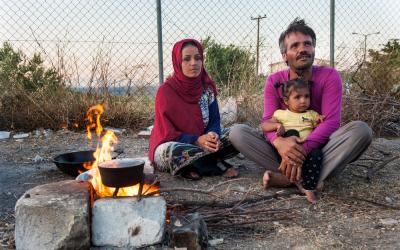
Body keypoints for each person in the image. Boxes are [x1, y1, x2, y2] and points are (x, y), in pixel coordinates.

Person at [229, 18, 372, 196]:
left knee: (361, 131)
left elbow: (331, 123)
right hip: (281, 151)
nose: (302, 49)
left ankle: (287, 178)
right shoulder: (274, 81)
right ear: (284, 55)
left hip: (319, 152)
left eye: (307, 44)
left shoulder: (330, 76)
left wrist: (300, 151)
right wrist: (279, 142)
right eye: (294, 46)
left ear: (313, 49)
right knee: (237, 132)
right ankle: (309, 179)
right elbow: (267, 122)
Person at [148, 38, 238, 180]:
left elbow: (214, 121)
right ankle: (214, 164)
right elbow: (167, 132)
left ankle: (194, 165)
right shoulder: (165, 92)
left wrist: (212, 136)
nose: (193, 63)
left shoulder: (207, 89)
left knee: (237, 134)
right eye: (187, 59)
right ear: (178, 62)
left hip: (203, 143)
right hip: (175, 144)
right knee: (172, 152)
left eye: (198, 58)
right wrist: (196, 140)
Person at [261, 78, 324, 203]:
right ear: (286, 101)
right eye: (297, 97)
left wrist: (320, 121)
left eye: (306, 96)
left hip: (306, 152)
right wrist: (277, 126)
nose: (303, 101)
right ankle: (299, 180)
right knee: (291, 134)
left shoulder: (311, 114)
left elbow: (320, 127)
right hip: (287, 154)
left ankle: (307, 186)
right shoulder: (281, 114)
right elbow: (264, 126)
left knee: (317, 153)